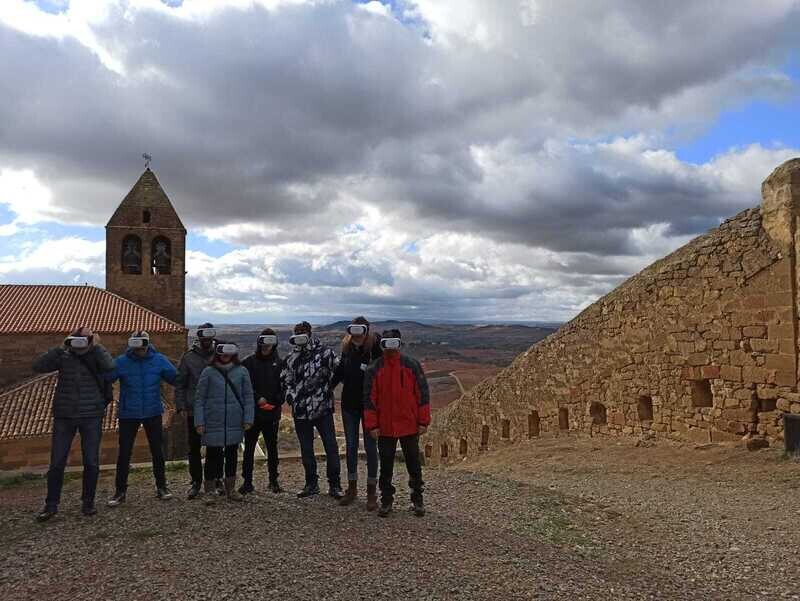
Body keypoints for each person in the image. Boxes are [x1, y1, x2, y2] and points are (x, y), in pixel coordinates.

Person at [32, 326, 114, 521]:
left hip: (91, 414)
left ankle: (88, 503)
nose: (80, 342)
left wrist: (97, 346)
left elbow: (110, 367)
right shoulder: (64, 356)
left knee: (91, 461)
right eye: (77, 338)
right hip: (65, 414)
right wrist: (61, 346)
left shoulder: (96, 356)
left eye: (85, 339)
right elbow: (38, 366)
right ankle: (51, 505)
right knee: (57, 462)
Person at [105, 331, 178, 507]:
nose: (139, 350)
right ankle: (120, 491)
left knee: (157, 451)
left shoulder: (159, 360)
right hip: (128, 413)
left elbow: (176, 379)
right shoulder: (121, 361)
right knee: (124, 453)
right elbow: (106, 378)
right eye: (136, 347)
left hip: (152, 411)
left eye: (141, 346)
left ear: (147, 344)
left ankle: (162, 487)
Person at [364, 329, 430, 518]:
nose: (391, 348)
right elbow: (369, 399)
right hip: (385, 427)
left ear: (399, 343)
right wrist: (372, 425)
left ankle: (417, 499)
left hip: (409, 425)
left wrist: (423, 421)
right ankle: (386, 500)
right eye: (387, 344)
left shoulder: (412, 365)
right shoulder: (374, 368)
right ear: (382, 345)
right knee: (386, 466)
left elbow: (423, 394)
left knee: (414, 464)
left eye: (394, 343)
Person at [281, 321, 343, 499]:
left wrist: (329, 388)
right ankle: (311, 484)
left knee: (331, 447)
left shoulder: (325, 353)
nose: (300, 335)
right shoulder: (291, 357)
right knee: (306, 449)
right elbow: (285, 380)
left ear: (309, 333)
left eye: (303, 332)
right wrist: (291, 396)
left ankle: (335, 485)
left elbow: (339, 371)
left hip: (322, 409)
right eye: (297, 332)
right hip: (301, 411)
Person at [194, 342, 254, 504]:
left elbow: (248, 397)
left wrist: (248, 418)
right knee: (212, 455)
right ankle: (209, 491)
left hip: (234, 420)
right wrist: (199, 421)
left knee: (232, 455)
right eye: (223, 353)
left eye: (229, 353)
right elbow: (199, 398)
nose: (226, 356)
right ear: (218, 354)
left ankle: (231, 490)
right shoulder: (208, 372)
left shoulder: (242, 371)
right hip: (213, 419)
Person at [331, 316, 381, 510]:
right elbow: (340, 372)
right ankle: (351, 489)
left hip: (369, 406)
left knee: (370, 447)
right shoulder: (347, 348)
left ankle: (371, 492)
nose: (357, 335)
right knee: (351, 446)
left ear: (366, 331)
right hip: (349, 404)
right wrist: (327, 388)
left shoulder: (375, 349)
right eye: (354, 331)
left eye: (360, 331)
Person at [175, 323, 218, 499]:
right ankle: (196, 481)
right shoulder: (188, 358)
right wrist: (180, 406)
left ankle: (213, 479)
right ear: (199, 337)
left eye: (209, 336)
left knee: (215, 447)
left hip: (215, 409)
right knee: (194, 448)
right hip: (194, 410)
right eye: (203, 336)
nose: (206, 339)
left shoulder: (219, 355)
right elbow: (180, 384)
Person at [240, 328, 285, 494]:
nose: (267, 345)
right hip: (253, 413)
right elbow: (244, 385)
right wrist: (257, 398)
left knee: (272, 448)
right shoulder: (248, 362)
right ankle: (247, 482)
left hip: (272, 413)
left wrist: (276, 401)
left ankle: (273, 480)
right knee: (249, 448)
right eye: (264, 341)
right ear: (259, 342)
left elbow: (284, 387)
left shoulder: (280, 363)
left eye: (270, 341)